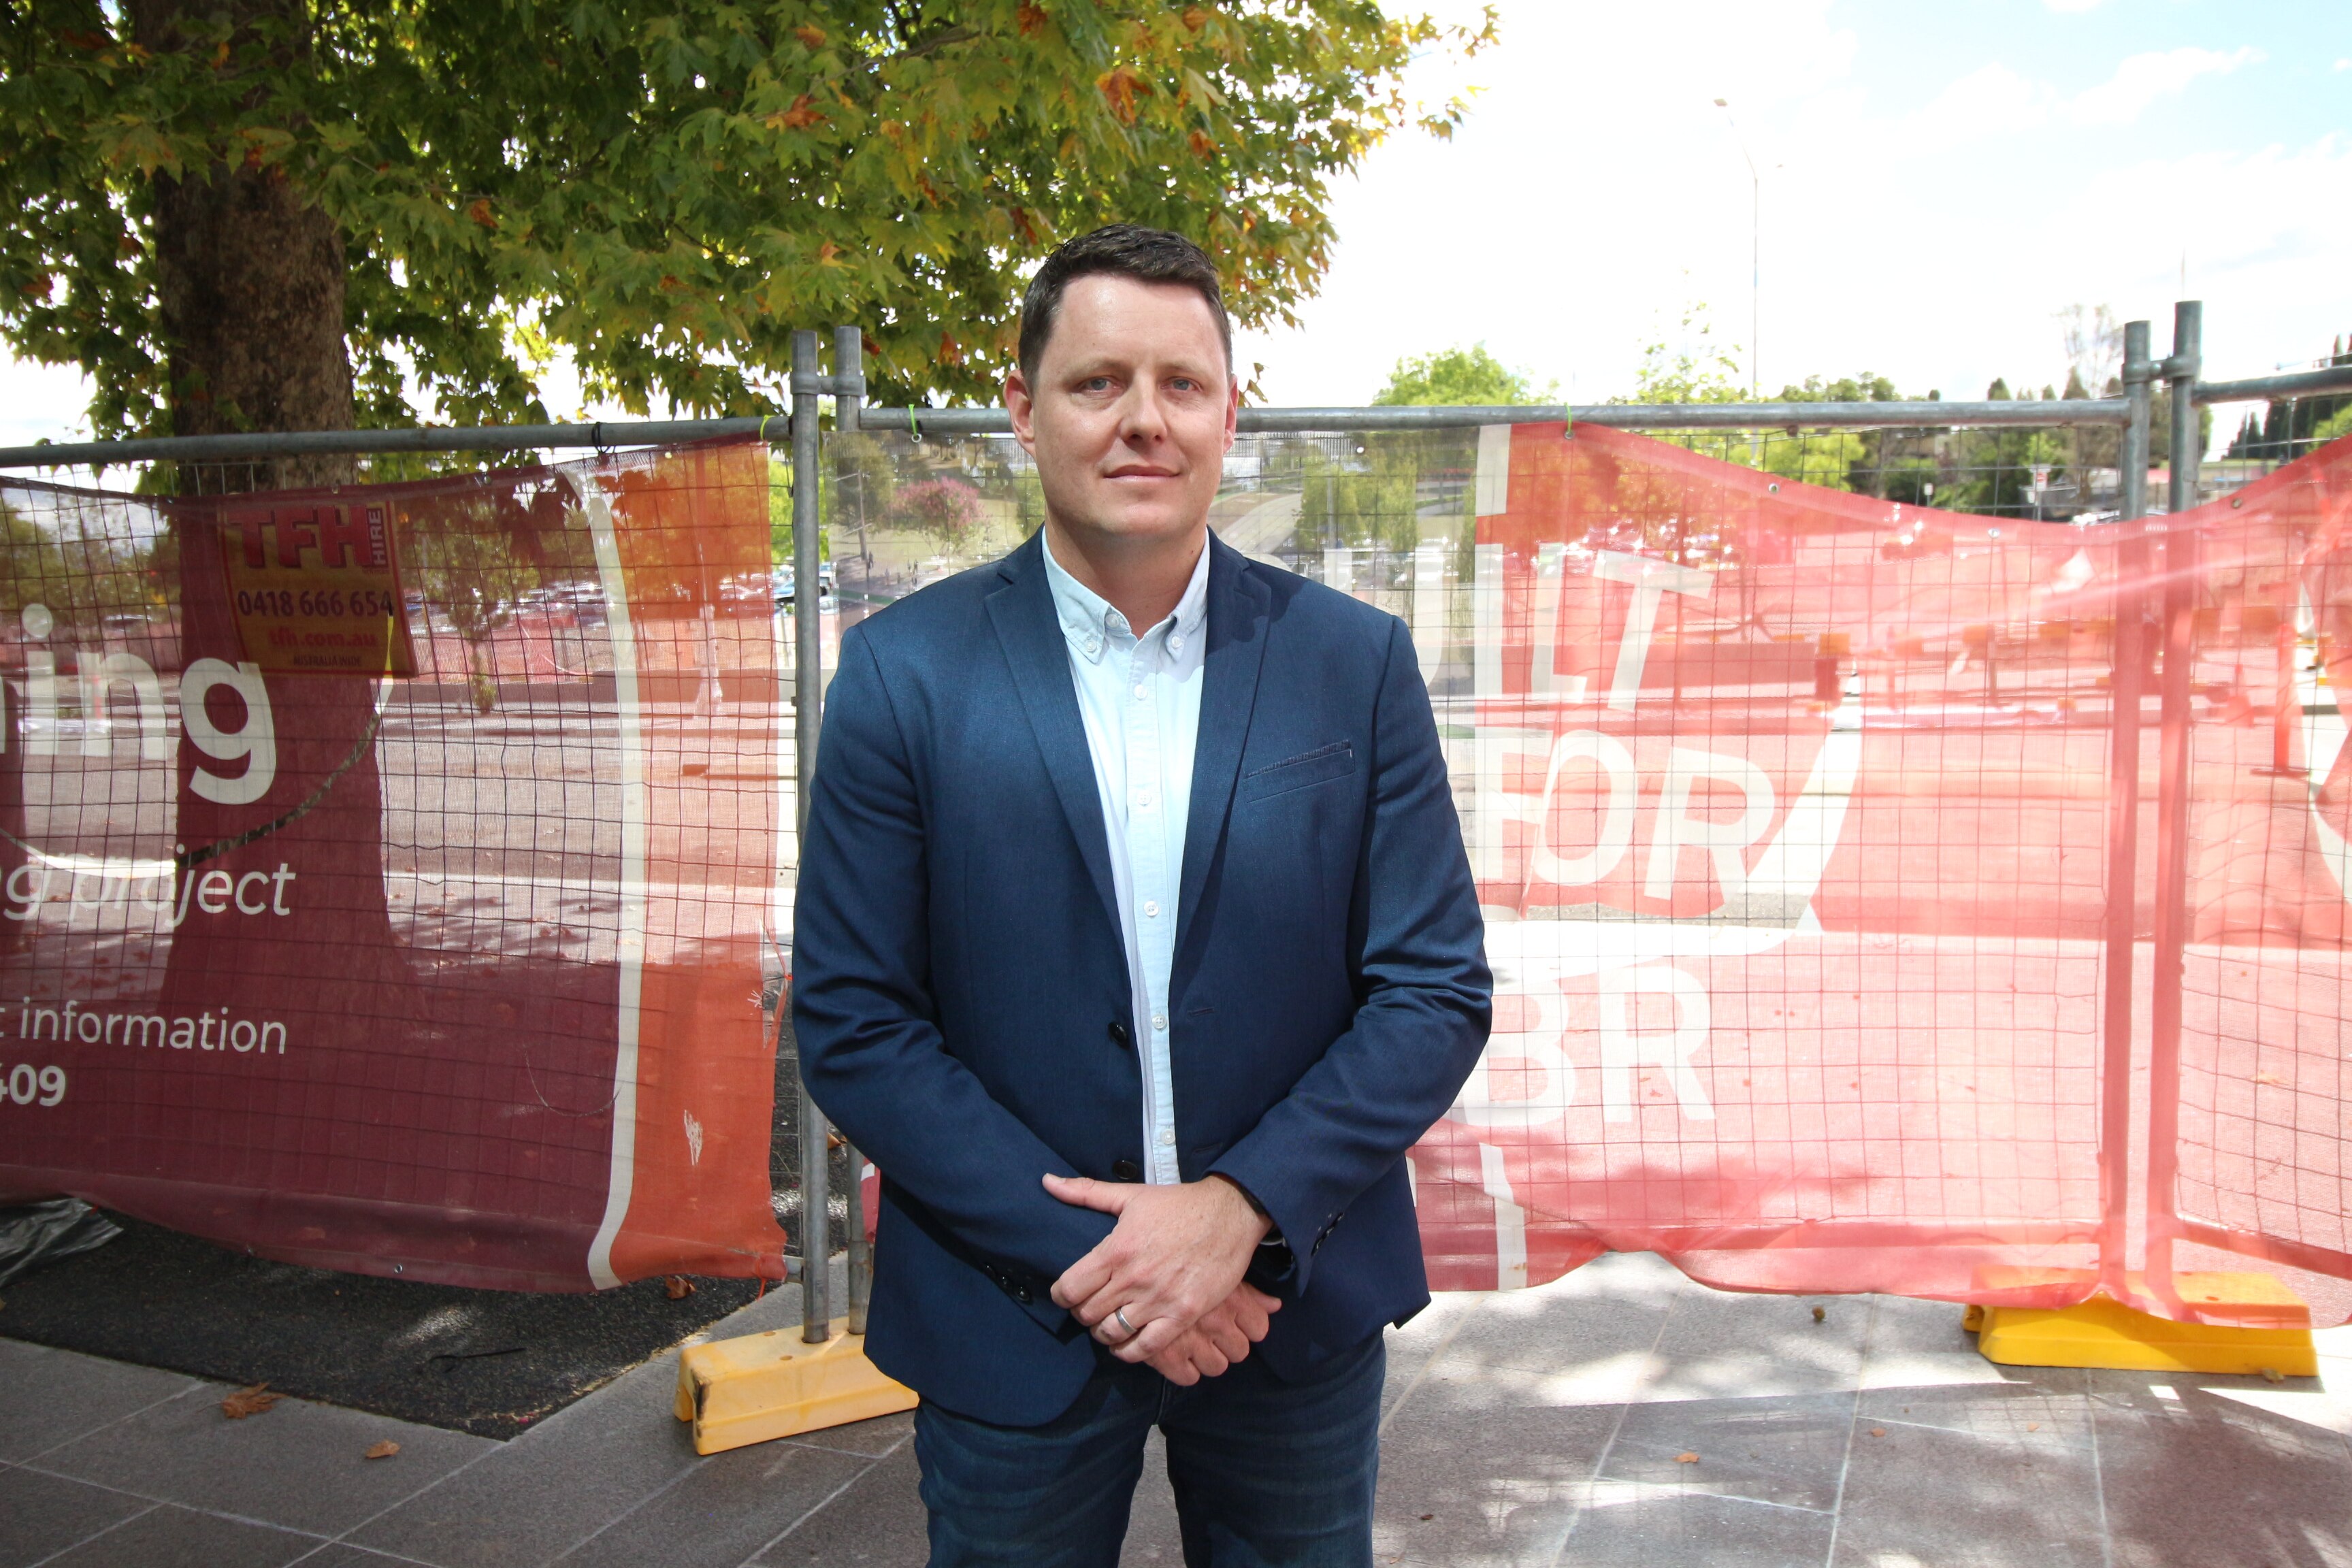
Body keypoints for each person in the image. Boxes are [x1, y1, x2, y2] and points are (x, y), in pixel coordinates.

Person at [792, 224, 1490, 1567]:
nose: (1142, 421)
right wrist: (1112, 1261)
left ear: (1232, 412)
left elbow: (1433, 988)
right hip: (1018, 1312)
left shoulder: (1352, 664)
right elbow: (857, 1021)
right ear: (1023, 410)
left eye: (1180, 384)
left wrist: (1237, 1216)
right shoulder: (899, 677)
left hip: (1287, 1302)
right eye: (1097, 381)